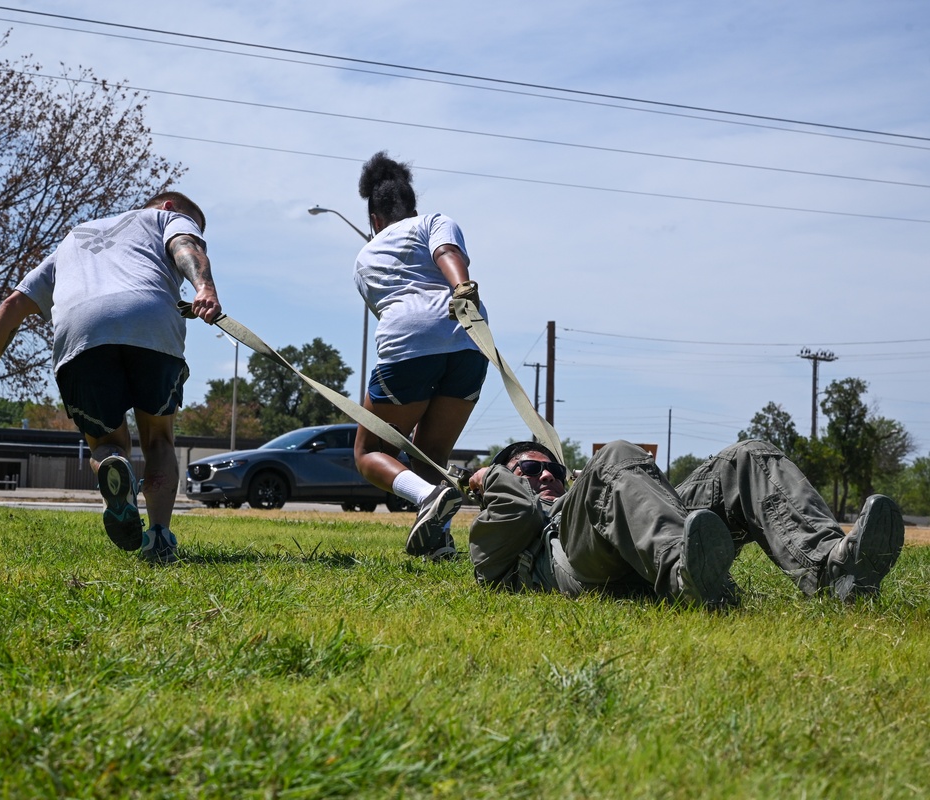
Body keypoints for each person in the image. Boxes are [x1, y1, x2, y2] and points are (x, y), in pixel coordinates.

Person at [0, 191, 221, 564]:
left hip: (80, 334)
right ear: (167, 207)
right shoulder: (164, 220)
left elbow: (13, 304)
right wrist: (204, 287)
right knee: (159, 439)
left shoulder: (74, 237)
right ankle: (160, 537)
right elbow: (184, 244)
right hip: (149, 321)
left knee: (105, 444)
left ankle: (115, 468)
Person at [467, 438, 905, 606]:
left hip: (639, 538)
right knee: (617, 453)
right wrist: (492, 476)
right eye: (526, 469)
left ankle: (831, 567)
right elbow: (517, 509)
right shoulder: (501, 535)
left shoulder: (588, 494)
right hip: (584, 562)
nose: (544, 474)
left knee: (747, 455)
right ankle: (686, 572)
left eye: (554, 470)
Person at [351, 151, 489, 560]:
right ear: (412, 206)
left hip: (409, 345)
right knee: (432, 452)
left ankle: (428, 497)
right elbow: (447, 252)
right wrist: (462, 288)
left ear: (374, 218)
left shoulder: (364, 256)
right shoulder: (434, 221)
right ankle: (437, 543)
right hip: (468, 340)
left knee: (368, 452)